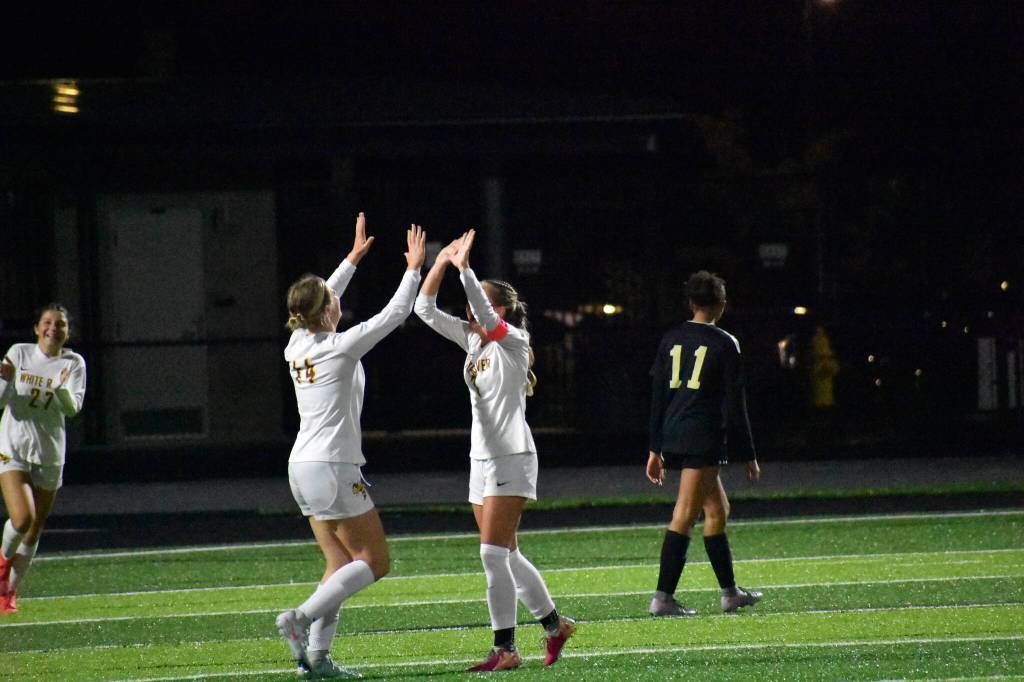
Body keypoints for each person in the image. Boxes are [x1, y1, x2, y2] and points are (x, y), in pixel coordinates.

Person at [415, 230, 575, 672]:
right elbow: (423, 310)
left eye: (482, 302)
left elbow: (484, 313)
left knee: (491, 553)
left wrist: (467, 269)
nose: (471, 309)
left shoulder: (513, 340)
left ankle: (505, 648)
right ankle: (555, 626)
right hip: (480, 458)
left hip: (511, 455)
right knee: (507, 553)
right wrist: (442, 263)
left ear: (500, 309)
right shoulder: (474, 341)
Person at [275, 213, 425, 679]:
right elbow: (395, 315)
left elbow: (316, 298)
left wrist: (353, 259)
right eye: (333, 300)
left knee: (338, 565)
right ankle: (298, 618)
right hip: (334, 465)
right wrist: (414, 269)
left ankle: (316, 661)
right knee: (375, 562)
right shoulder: (337, 347)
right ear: (326, 311)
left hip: (302, 465)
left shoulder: (297, 344)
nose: (339, 301)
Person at [645, 270, 762, 617]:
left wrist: (655, 447)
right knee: (685, 514)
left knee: (717, 511)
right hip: (703, 436)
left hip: (674, 431)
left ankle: (730, 593)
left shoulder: (670, 338)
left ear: (691, 303)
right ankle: (662, 598)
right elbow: (734, 404)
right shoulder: (725, 343)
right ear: (721, 304)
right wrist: (749, 454)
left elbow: (658, 394)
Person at [0, 303, 87, 614]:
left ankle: (8, 592)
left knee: (35, 528)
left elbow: (72, 408)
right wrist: (5, 380)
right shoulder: (19, 353)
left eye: (60, 324)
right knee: (22, 518)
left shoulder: (74, 363)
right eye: (47, 322)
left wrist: (61, 389)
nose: (53, 328)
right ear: (37, 328)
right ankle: (0, 569)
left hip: (49, 453)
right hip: (14, 448)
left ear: (67, 332)